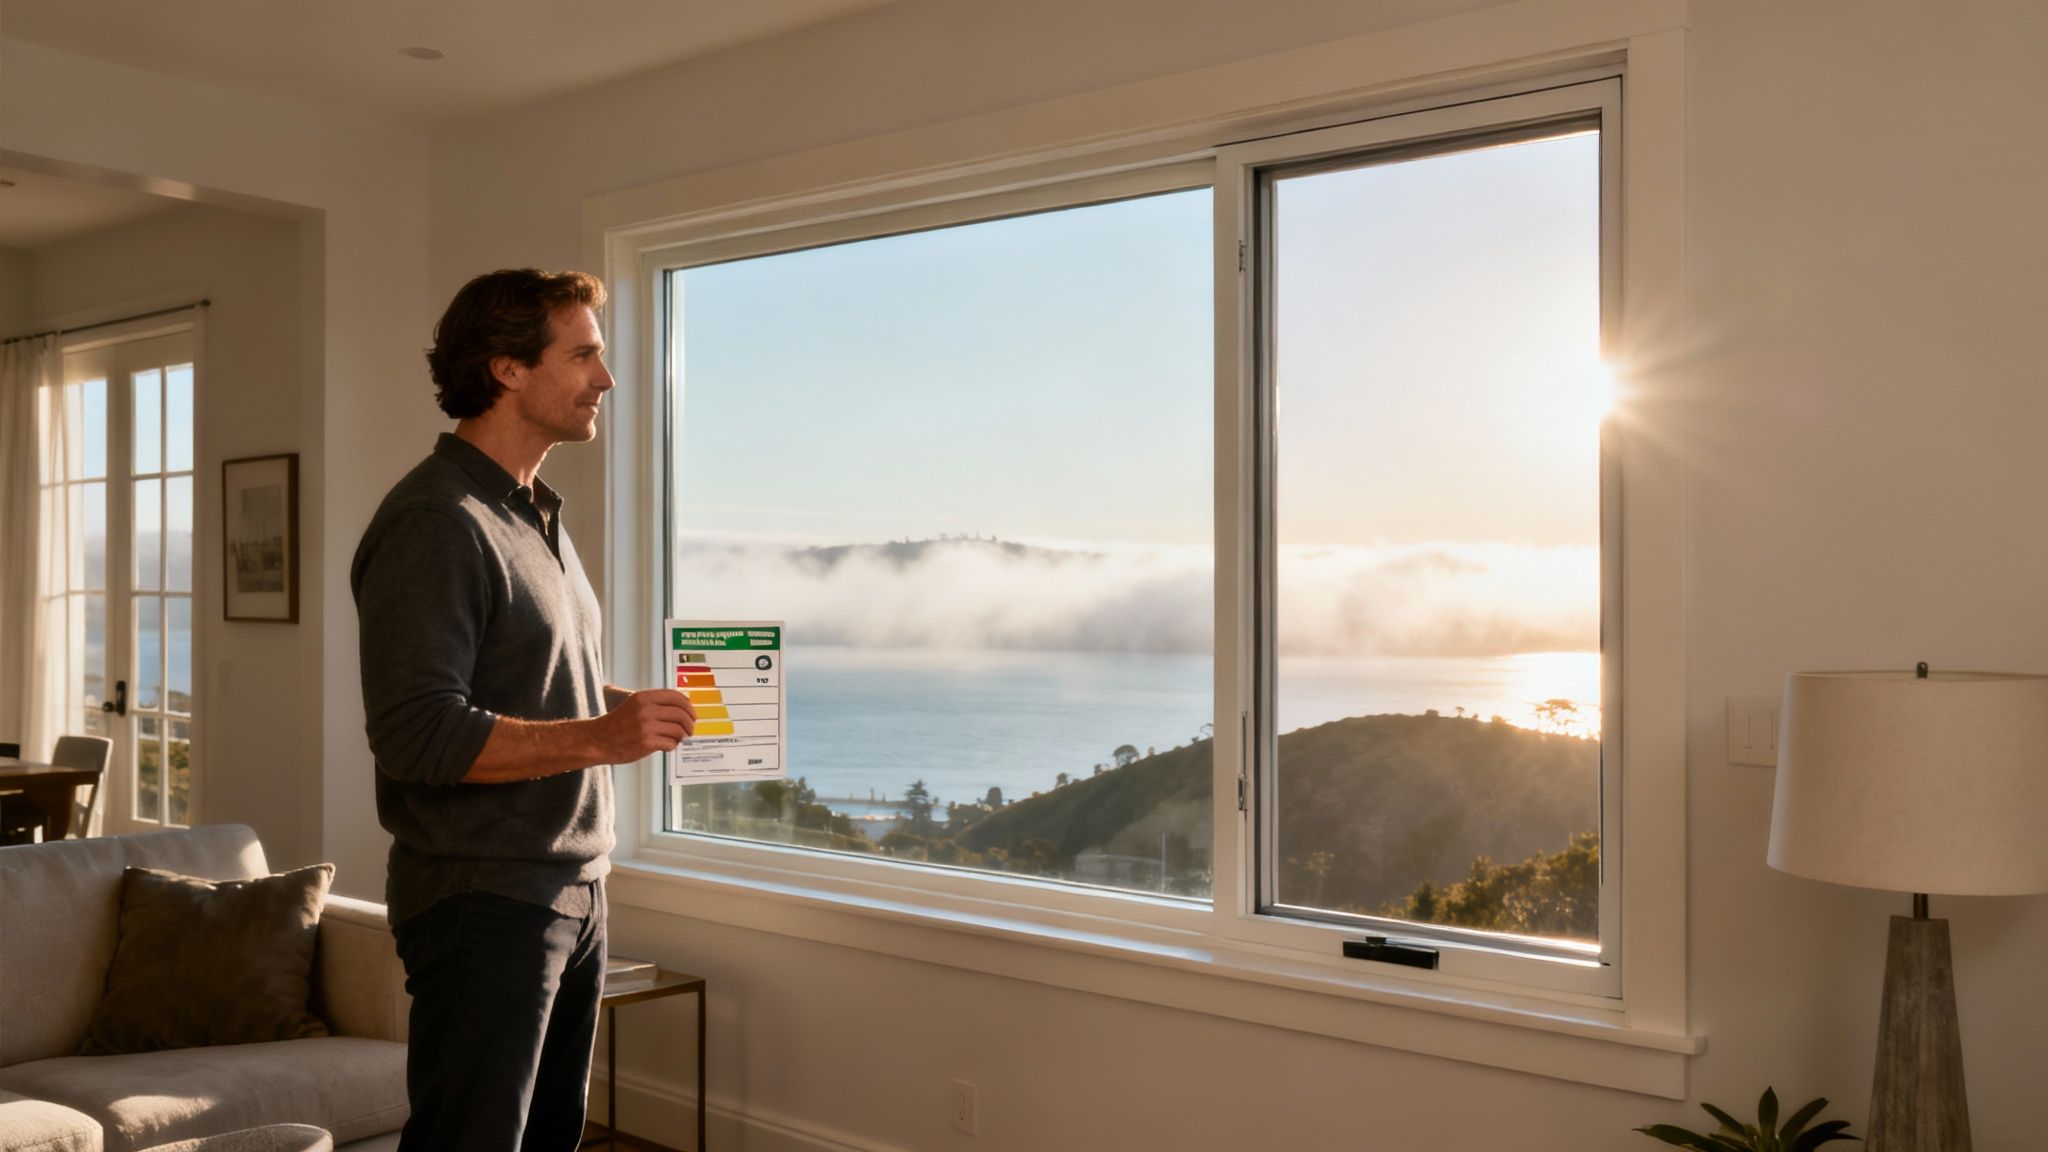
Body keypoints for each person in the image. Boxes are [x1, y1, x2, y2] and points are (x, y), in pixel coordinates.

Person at [352, 268, 697, 1151]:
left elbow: (527, 678)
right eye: (583, 355)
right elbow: (417, 733)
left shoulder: (532, 513)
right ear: (506, 369)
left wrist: (630, 709)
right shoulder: (437, 520)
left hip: (572, 889)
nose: (606, 380)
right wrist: (600, 735)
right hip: (484, 897)